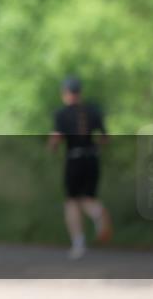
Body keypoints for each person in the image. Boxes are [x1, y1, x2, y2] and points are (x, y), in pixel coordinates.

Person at [48, 75, 112, 260]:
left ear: (65, 93)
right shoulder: (93, 111)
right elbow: (105, 138)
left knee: (72, 202)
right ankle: (97, 212)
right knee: (87, 197)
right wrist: (95, 148)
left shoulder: (61, 114)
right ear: (80, 92)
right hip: (92, 159)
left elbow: (55, 139)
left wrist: (51, 148)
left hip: (74, 159)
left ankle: (78, 242)